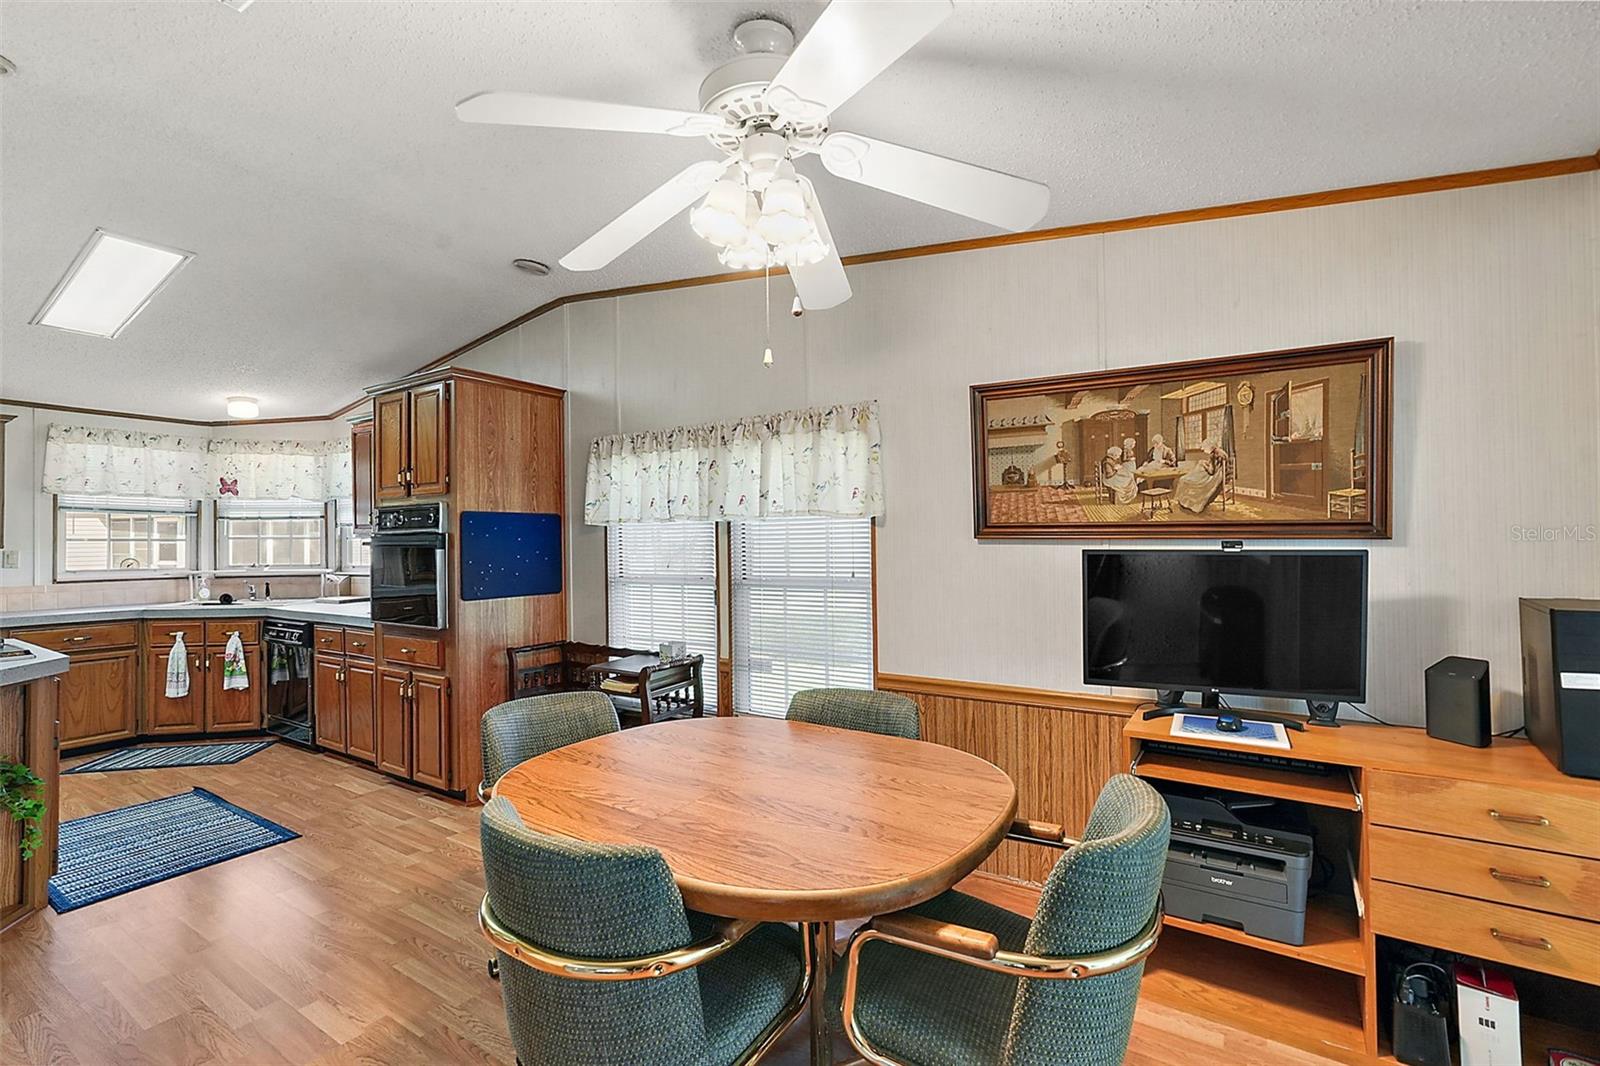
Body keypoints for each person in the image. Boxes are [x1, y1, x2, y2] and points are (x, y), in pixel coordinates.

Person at [1175, 438, 1229, 513]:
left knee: (1184, 480)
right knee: (1190, 475)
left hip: (1214, 478)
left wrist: (1204, 465)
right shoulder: (1221, 452)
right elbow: (1214, 467)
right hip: (1219, 475)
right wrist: (1206, 464)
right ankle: (1186, 501)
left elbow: (1211, 472)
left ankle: (1188, 502)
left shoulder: (1215, 455)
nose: (1204, 450)